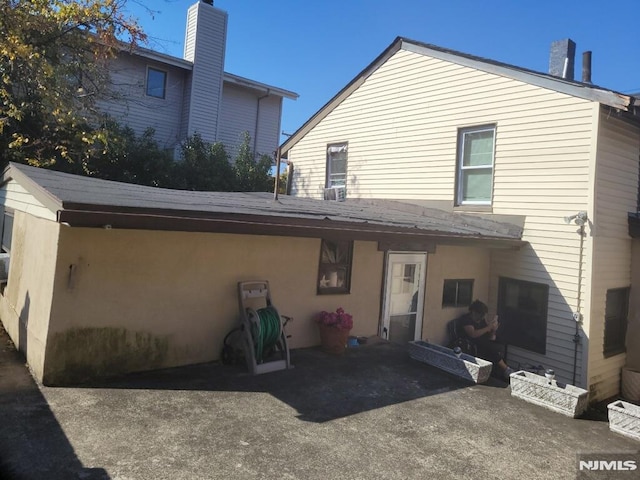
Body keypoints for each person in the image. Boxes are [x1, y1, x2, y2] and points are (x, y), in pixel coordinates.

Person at [455, 299, 514, 381]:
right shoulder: (466, 319)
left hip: (482, 341)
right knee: (489, 347)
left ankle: (501, 369)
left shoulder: (481, 320)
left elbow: (489, 336)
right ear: (474, 312)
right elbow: (472, 334)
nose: (482, 317)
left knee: (498, 341)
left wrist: (493, 330)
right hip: (471, 343)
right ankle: (505, 369)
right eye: (481, 314)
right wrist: (488, 327)